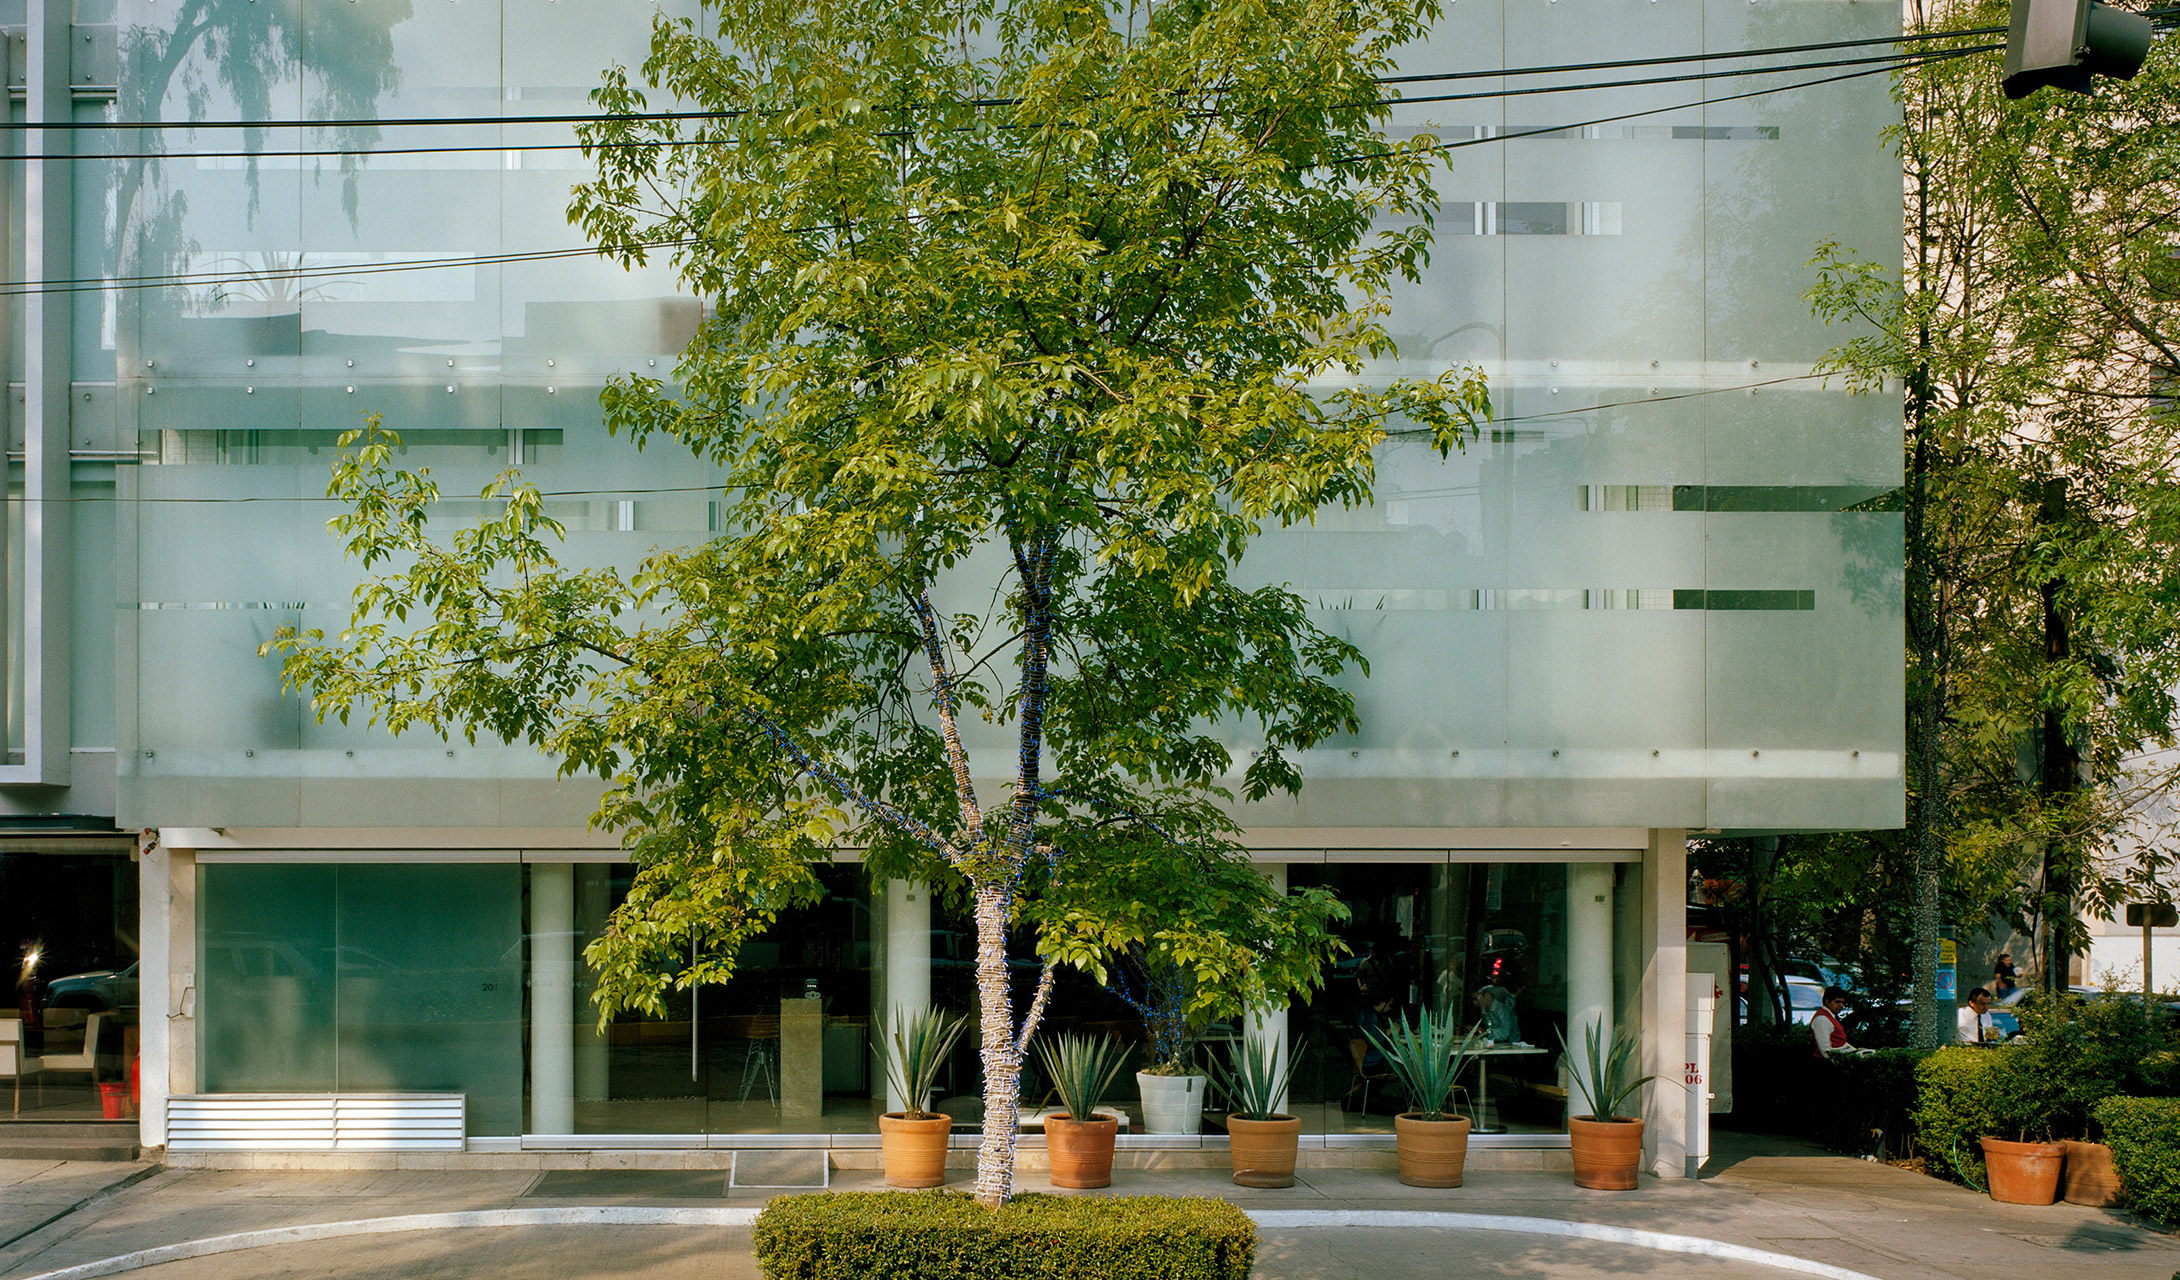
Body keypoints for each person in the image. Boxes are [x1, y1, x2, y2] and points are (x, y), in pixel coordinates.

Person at [1810, 985, 1856, 1057]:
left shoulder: (1831, 1016)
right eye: (1837, 1002)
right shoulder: (1822, 1019)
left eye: (1842, 1002)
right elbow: (1825, 1051)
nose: (1841, 1005)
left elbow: (1841, 1043)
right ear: (1827, 1001)